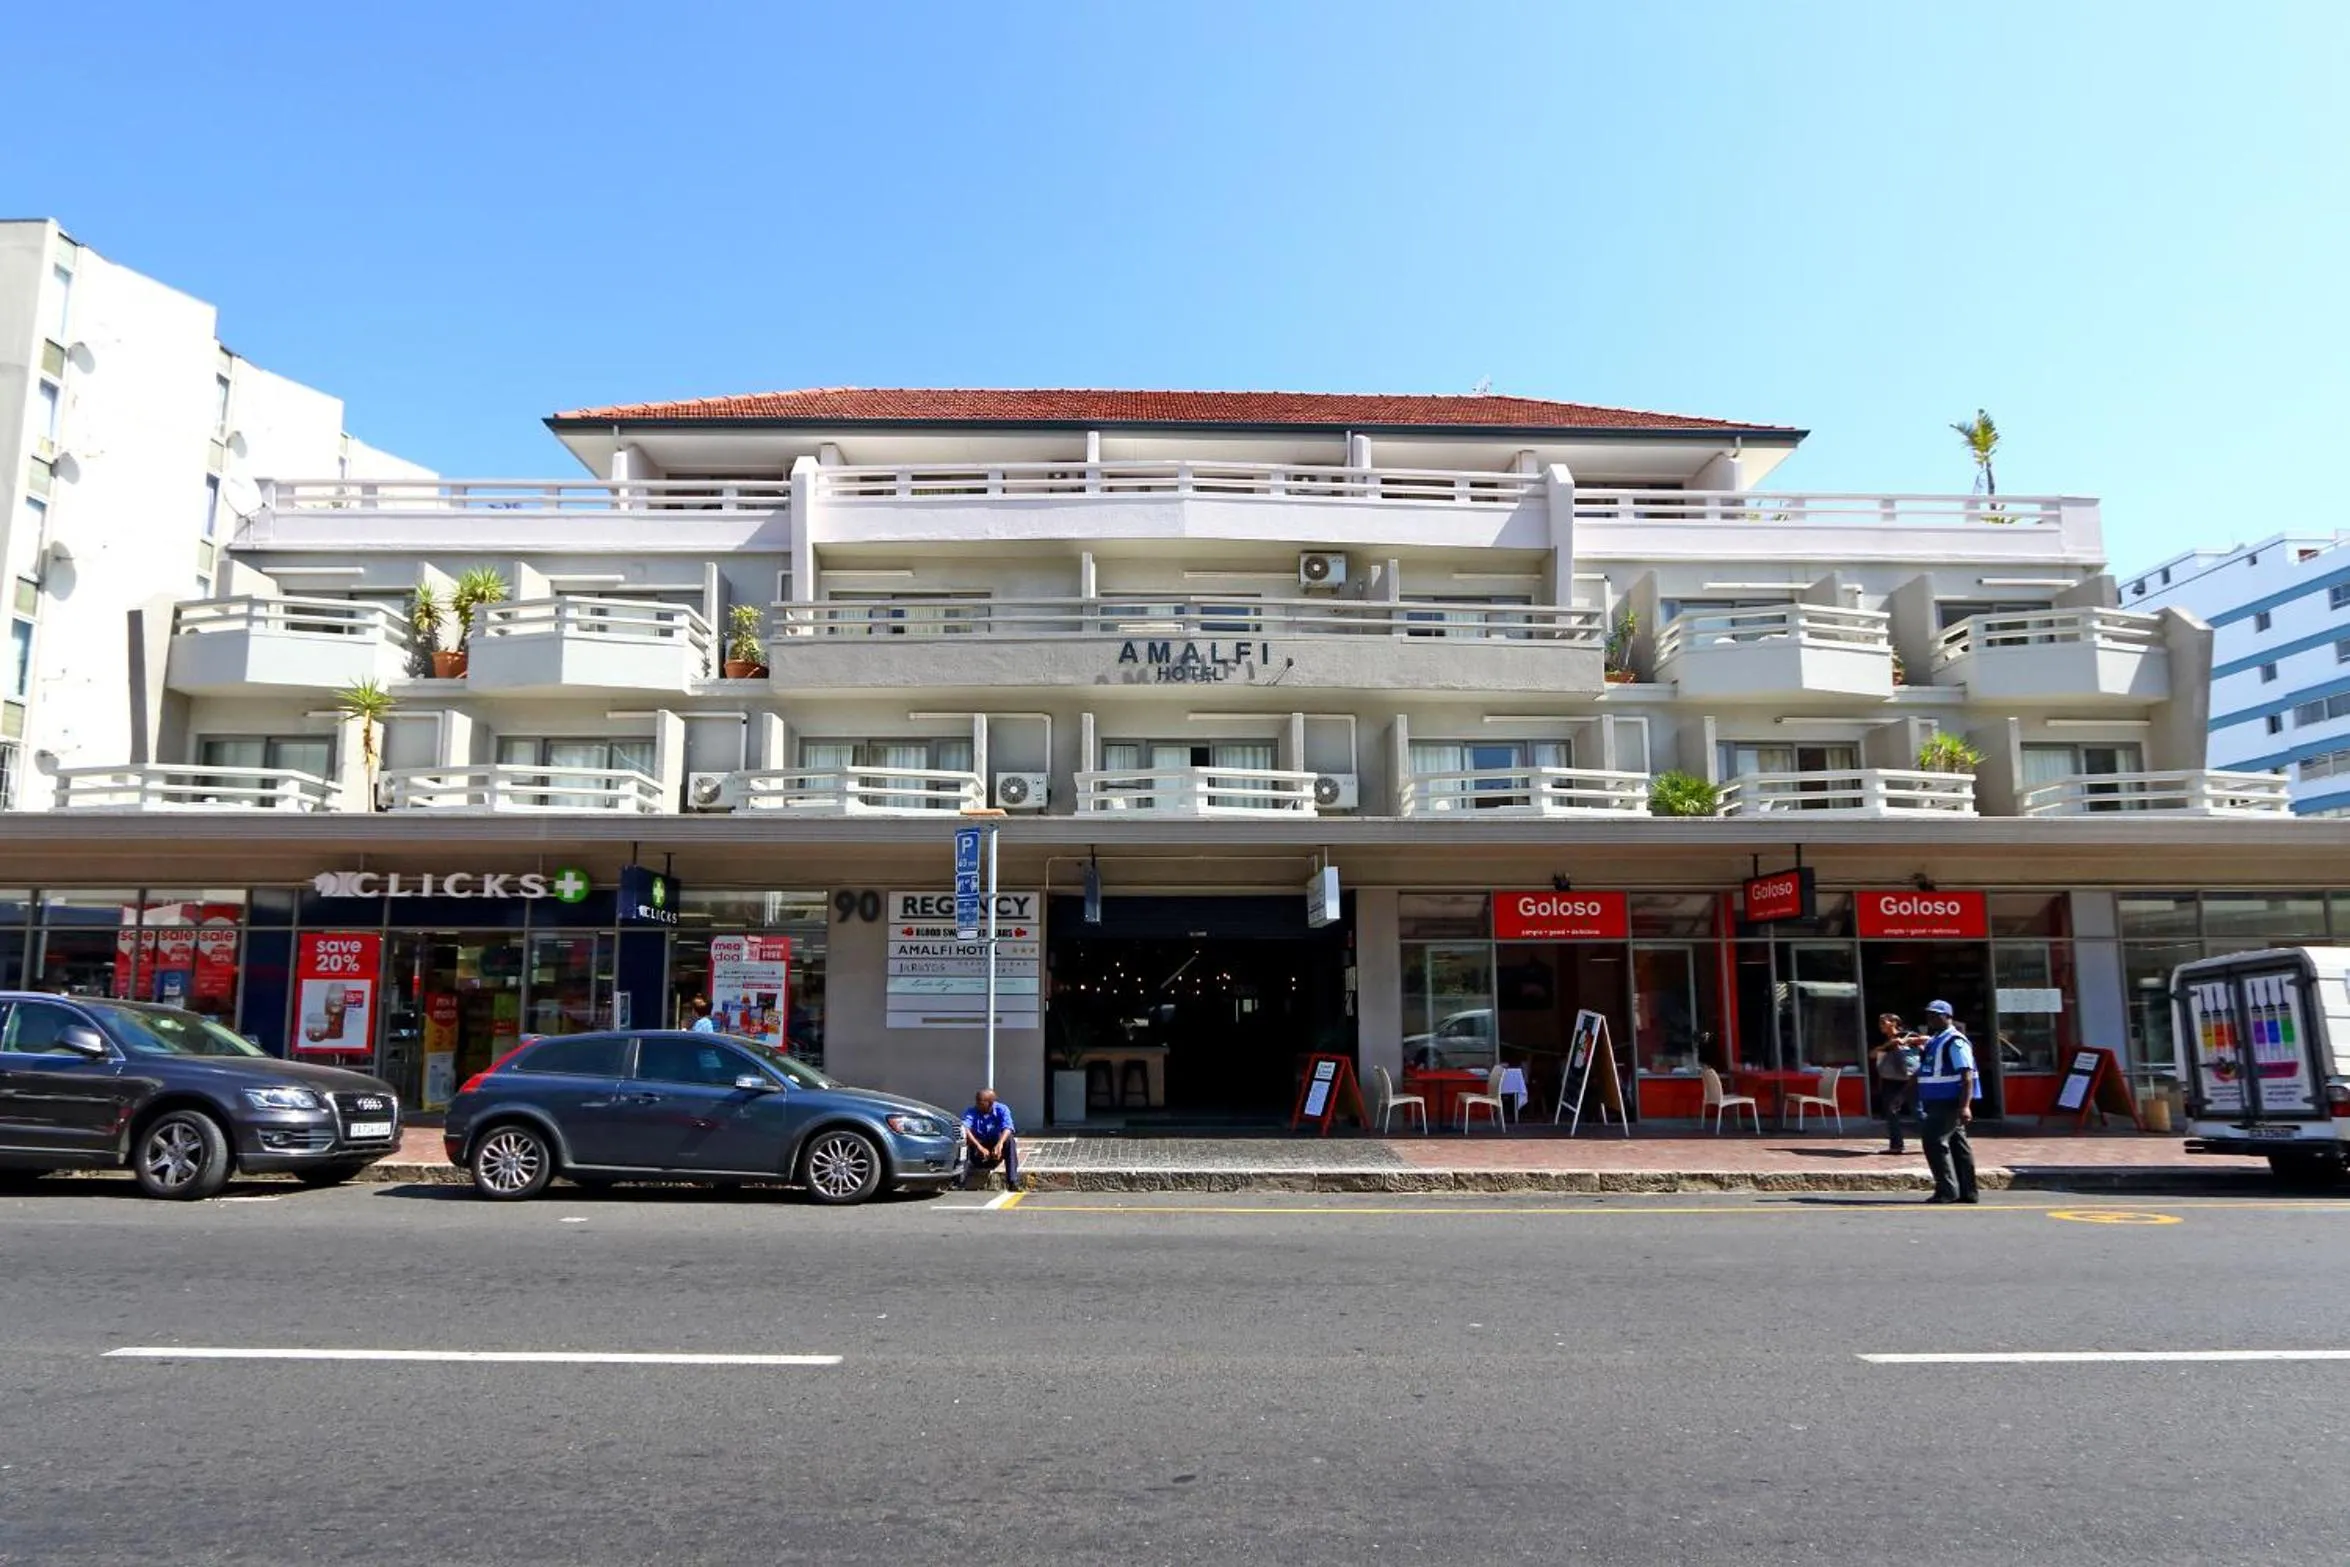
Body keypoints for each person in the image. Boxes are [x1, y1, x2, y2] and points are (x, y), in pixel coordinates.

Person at [1914, 999, 1980, 1204]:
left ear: (1948, 1017)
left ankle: (1947, 1191)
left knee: (1934, 1141)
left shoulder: (1955, 1041)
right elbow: (1923, 1070)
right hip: (1936, 1100)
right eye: (1929, 1015)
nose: (1931, 1018)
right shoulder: (1935, 1040)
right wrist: (1903, 1093)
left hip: (1950, 1101)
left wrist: (1965, 1106)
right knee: (1958, 1145)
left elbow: (1966, 1075)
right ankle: (1967, 1192)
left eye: (1936, 1014)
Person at [1872, 1013, 1923, 1155]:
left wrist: (1908, 1041)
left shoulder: (1908, 1034)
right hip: (1891, 1079)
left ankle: (1935, 1140)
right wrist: (1888, 1045)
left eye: (1884, 1022)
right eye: (1880, 1022)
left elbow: (1926, 1042)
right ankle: (1896, 1145)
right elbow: (1872, 1054)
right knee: (1891, 1111)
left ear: (1894, 1022)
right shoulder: (1884, 1040)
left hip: (1910, 1078)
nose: (1880, 1025)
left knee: (1917, 1111)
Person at [957, 1088, 1022, 1192]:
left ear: (990, 1103)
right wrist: (979, 1147)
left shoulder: (1002, 1109)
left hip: (996, 1150)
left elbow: (1008, 1127)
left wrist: (1000, 1144)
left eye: (980, 1102)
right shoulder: (972, 1111)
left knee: (1009, 1140)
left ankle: (1012, 1181)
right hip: (979, 1151)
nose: (977, 1104)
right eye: (977, 1101)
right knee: (965, 1139)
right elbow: (965, 1127)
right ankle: (959, 1180)